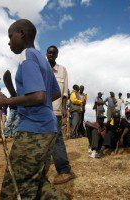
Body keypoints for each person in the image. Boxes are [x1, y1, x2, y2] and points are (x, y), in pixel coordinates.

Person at [0, 19, 67, 199]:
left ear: (22, 34)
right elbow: (54, 94)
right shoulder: (42, 59)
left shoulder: (26, 56)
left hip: (34, 129)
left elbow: (39, 96)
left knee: (15, 187)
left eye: (11, 36)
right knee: (35, 182)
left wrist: (6, 101)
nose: (9, 42)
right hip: (47, 127)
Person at [47, 45, 75, 185]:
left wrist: (64, 109)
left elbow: (64, 92)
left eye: (53, 53)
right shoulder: (41, 69)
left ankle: (64, 170)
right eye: (49, 52)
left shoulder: (62, 70)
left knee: (57, 138)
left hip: (56, 110)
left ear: (56, 55)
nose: (51, 55)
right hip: (41, 109)